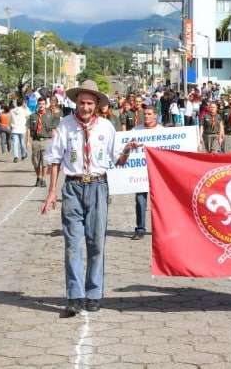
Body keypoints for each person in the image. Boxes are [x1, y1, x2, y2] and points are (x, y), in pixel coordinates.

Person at [41, 80, 139, 317]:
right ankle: (74, 295)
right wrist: (52, 191)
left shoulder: (106, 127)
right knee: (72, 244)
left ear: (97, 105)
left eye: (90, 103)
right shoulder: (65, 125)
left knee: (96, 243)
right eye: (82, 102)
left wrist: (128, 150)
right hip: (73, 187)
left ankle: (94, 293)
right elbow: (55, 160)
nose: (85, 107)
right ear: (76, 102)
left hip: (97, 186)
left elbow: (117, 160)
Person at [132, 106, 161, 240]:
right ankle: (140, 229)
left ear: (155, 116)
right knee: (140, 200)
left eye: (149, 114)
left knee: (159, 202)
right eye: (145, 114)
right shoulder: (135, 131)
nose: (147, 116)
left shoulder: (162, 131)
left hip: (158, 172)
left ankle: (160, 229)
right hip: (140, 172)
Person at [27, 97, 59, 187]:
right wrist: (28, 141)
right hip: (36, 141)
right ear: (37, 104)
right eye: (40, 104)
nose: (41, 105)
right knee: (36, 162)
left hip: (46, 141)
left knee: (45, 162)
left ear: (46, 105)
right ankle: (38, 177)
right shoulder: (32, 116)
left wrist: (55, 142)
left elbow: (54, 129)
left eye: (43, 104)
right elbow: (28, 129)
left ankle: (43, 179)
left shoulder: (50, 115)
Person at [10, 99, 30, 163]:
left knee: (15, 143)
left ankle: (16, 156)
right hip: (22, 128)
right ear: (22, 103)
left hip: (14, 128)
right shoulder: (24, 110)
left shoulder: (12, 111)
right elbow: (30, 114)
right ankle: (24, 154)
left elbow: (10, 119)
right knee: (22, 143)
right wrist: (26, 107)